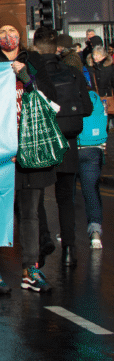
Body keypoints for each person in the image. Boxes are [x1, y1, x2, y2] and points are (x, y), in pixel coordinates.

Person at [0, 16, 61, 294]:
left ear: (20, 34)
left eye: (12, 30)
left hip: (30, 149)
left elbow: (51, 100)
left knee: (30, 214)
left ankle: (31, 268)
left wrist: (27, 77)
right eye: (2, 31)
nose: (7, 36)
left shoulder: (34, 61)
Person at [34, 28, 91, 270]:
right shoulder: (74, 73)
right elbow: (87, 108)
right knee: (66, 199)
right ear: (56, 47)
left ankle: (44, 238)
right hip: (68, 143)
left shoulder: (33, 73)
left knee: (35, 197)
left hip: (42, 142)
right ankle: (69, 250)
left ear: (36, 47)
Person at [79, 58, 106, 251]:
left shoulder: (72, 95)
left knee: (68, 193)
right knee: (92, 192)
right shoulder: (95, 97)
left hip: (75, 146)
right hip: (95, 148)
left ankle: (66, 232)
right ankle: (95, 233)